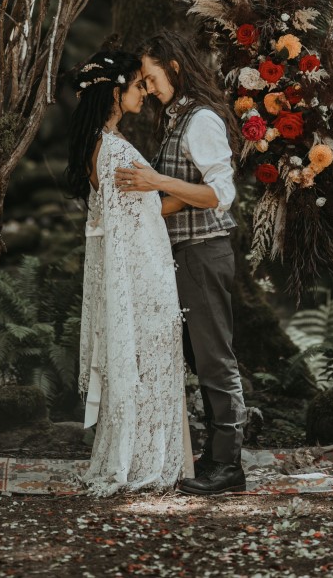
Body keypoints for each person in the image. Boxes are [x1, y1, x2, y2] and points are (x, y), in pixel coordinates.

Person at [114, 32, 247, 496]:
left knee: (214, 359)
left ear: (173, 66)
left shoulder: (202, 120)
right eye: (143, 83)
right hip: (184, 255)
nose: (148, 89)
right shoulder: (175, 120)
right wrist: (134, 207)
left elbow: (219, 195)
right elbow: (176, 198)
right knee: (195, 356)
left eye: (151, 78)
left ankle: (229, 466)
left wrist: (153, 181)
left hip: (205, 253)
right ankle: (222, 444)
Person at [67, 48, 193, 496]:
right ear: (115, 93)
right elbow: (149, 211)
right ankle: (148, 459)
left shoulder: (96, 148)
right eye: (137, 86)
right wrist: (198, 191)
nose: (144, 92)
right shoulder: (118, 150)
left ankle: (127, 451)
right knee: (150, 364)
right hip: (142, 273)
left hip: (124, 274)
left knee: (137, 366)